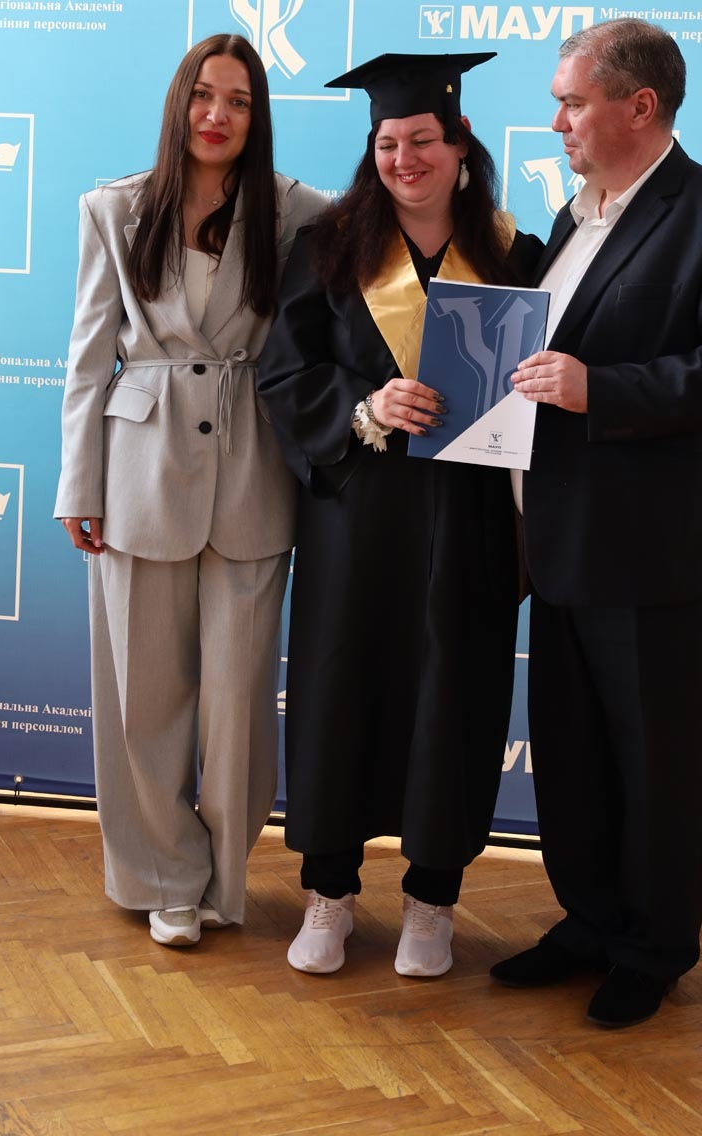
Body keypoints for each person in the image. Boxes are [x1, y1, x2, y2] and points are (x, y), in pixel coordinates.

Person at [490, 18, 702, 1026]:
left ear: (638, 105)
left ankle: (652, 948)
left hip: (657, 555)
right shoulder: (570, 217)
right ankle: (589, 921)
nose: (556, 121)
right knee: (573, 758)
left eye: (571, 102)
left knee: (656, 766)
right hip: (559, 542)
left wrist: (599, 389)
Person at [258, 52, 542, 978]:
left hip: (469, 516)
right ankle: (328, 892)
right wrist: (366, 405)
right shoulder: (331, 247)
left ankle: (431, 901)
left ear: (460, 144)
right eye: (387, 143)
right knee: (341, 691)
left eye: (422, 140)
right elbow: (284, 373)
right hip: (359, 515)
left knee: (453, 698)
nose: (404, 159)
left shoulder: (514, 253)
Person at [54, 33, 327, 946]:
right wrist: (78, 483)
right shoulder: (114, 208)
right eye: (204, 95)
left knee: (238, 701)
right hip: (138, 468)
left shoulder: (297, 212)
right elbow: (88, 356)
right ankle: (162, 875)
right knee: (143, 695)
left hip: (253, 468)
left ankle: (224, 878)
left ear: (259, 117)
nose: (218, 115)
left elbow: (384, 247)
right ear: (179, 102)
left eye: (239, 101)